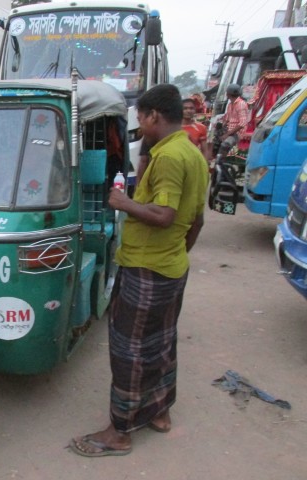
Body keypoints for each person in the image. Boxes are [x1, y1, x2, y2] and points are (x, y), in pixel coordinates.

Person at [68, 84, 208, 457]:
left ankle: (119, 431)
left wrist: (123, 203)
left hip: (146, 269)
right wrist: (177, 254)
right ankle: (159, 412)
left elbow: (164, 215)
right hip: (171, 266)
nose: (139, 127)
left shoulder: (170, 158)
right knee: (161, 341)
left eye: (141, 119)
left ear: (154, 116)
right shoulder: (191, 154)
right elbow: (196, 220)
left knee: (129, 350)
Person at [217, 83, 248, 158]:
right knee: (212, 139)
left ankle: (220, 161)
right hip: (230, 130)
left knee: (225, 144)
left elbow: (242, 123)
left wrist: (227, 134)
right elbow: (227, 119)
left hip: (237, 133)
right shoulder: (230, 104)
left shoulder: (241, 104)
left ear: (229, 94)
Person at [182, 98, 211, 164]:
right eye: (185, 108)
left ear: (195, 110)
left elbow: (204, 150)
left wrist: (204, 165)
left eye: (191, 108)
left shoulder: (201, 128)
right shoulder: (173, 127)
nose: (188, 111)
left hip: (193, 163)